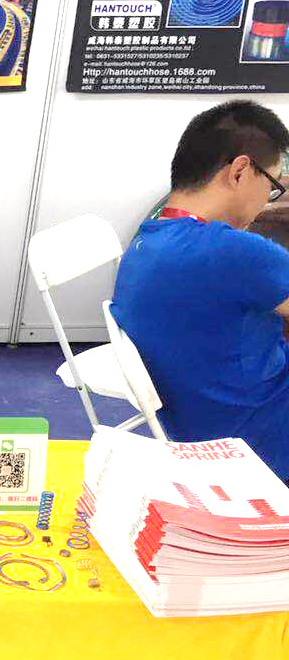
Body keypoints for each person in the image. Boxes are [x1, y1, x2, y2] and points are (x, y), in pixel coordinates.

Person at [110, 100, 289, 479]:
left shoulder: (146, 244)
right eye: (272, 187)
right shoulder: (238, 253)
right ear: (240, 171)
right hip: (265, 442)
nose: (266, 202)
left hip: (196, 432)